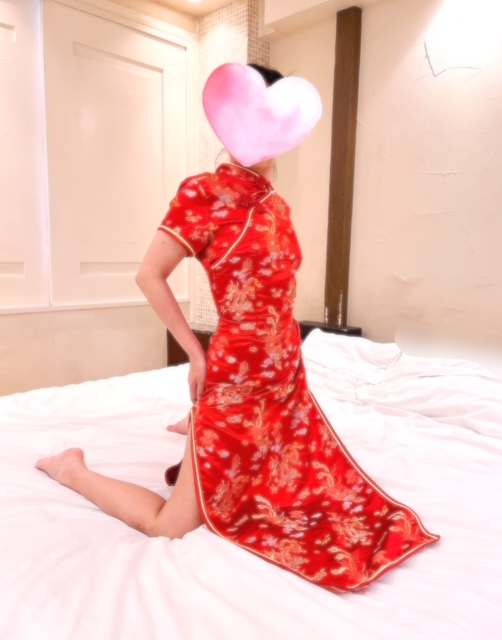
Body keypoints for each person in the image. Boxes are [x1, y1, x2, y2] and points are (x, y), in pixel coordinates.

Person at [36, 63, 438, 592]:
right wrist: (194, 354)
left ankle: (196, 427)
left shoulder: (277, 207)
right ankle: (71, 469)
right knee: (170, 526)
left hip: (285, 375)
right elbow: (149, 275)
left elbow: (276, 295)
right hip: (235, 372)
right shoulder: (202, 193)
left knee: (302, 495)